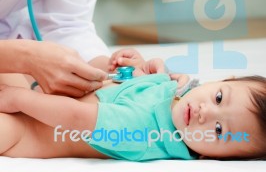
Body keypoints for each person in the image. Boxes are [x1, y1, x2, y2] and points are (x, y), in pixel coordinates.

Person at [0, 48, 265, 161]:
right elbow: (125, 85)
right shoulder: (176, 93)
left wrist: (19, 99)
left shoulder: (146, 135)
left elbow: (77, 116)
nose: (205, 112)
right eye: (219, 97)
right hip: (35, 91)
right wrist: (133, 65)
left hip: (25, 130)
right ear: (220, 80)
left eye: (219, 131)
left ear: (211, 158)